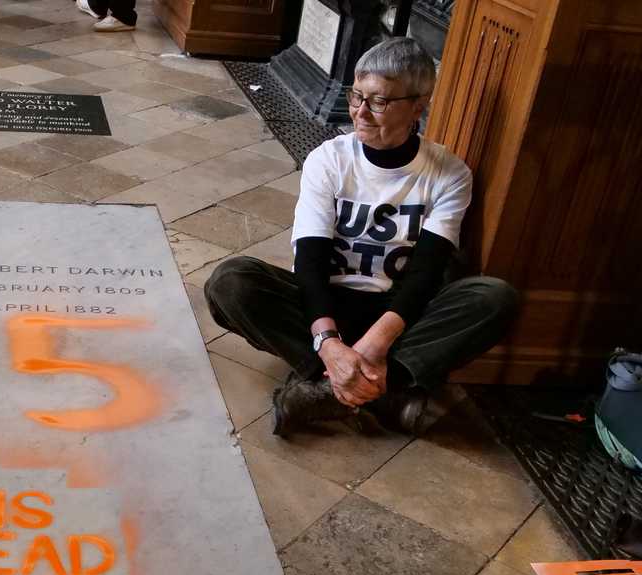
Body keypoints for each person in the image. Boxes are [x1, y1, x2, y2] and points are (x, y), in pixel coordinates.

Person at [204, 37, 518, 437]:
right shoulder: (328, 160)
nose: (361, 112)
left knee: (494, 298)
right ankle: (385, 393)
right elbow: (310, 262)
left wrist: (373, 345)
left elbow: (425, 274)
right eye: (357, 96)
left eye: (379, 102)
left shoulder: (449, 174)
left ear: (418, 106)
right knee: (230, 283)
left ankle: (326, 391)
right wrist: (329, 344)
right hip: (327, 306)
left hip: (398, 315)